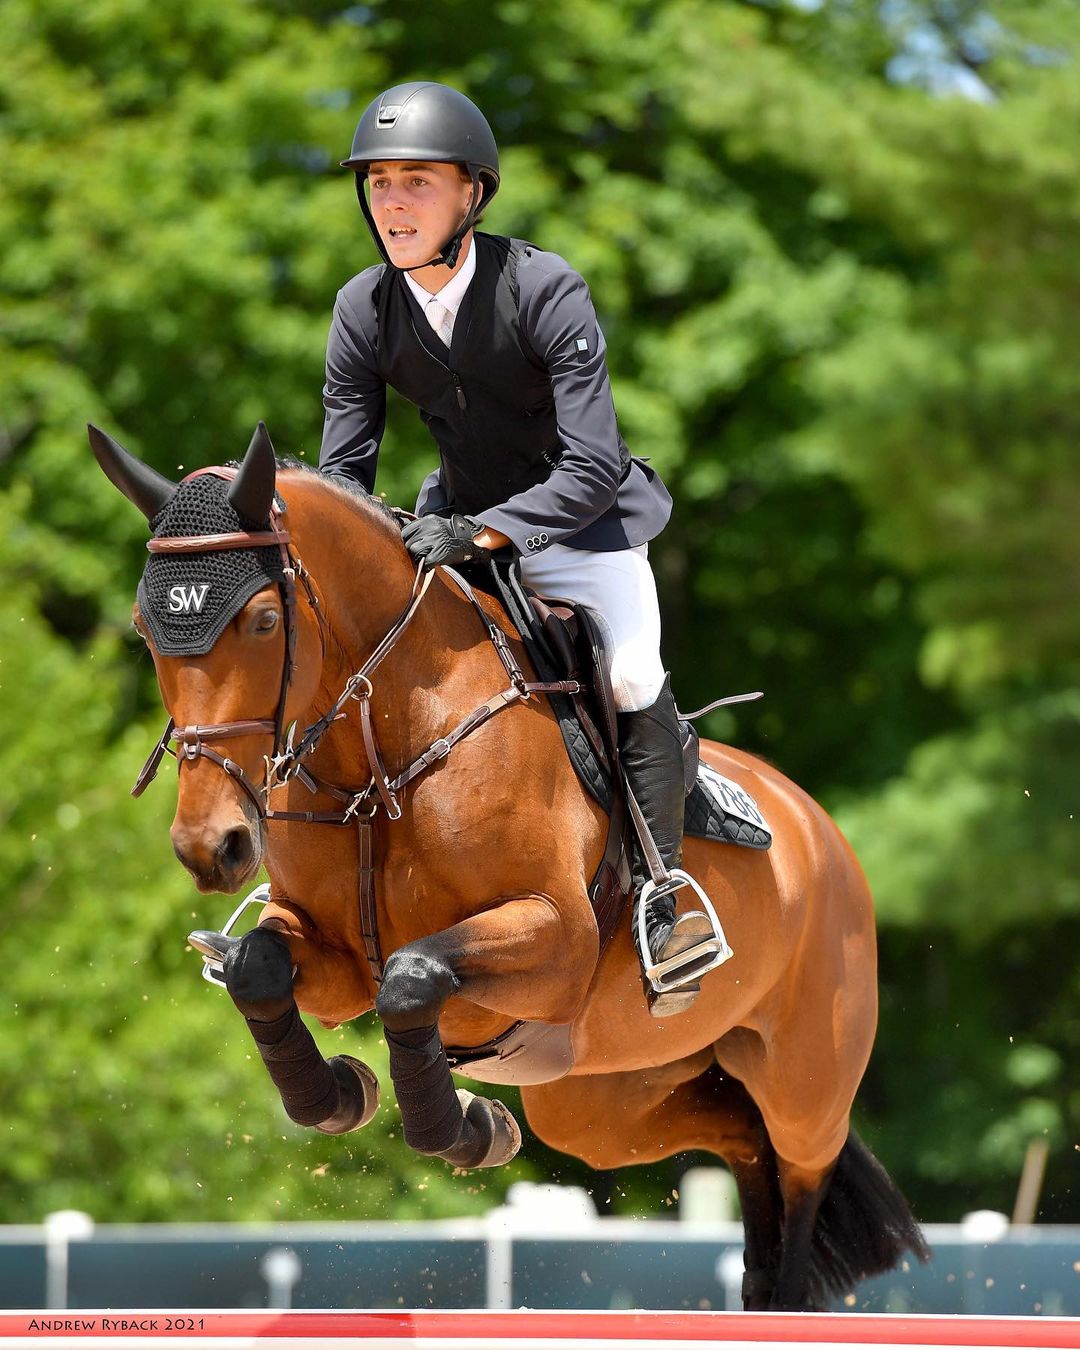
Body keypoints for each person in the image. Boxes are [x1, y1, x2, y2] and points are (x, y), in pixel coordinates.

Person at [319, 81, 721, 1016]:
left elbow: (593, 464)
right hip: (453, 534)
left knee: (629, 674)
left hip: (583, 529)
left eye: (418, 181)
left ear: (473, 196)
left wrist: (488, 529)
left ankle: (665, 896)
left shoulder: (543, 288)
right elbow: (343, 475)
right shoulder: (362, 310)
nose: (394, 204)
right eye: (379, 185)